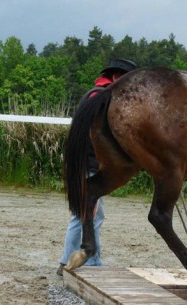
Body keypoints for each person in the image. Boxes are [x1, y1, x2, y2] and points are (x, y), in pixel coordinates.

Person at [57, 58, 137, 276]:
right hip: (90, 162)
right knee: (87, 214)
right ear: (116, 77)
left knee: (87, 214)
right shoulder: (102, 98)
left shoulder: (94, 95)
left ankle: (78, 259)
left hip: (86, 160)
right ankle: (80, 261)